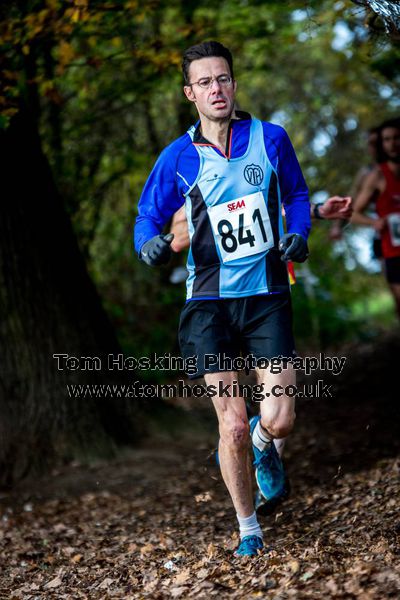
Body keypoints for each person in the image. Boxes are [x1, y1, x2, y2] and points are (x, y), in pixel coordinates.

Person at [134, 41, 311, 557]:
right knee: (230, 423)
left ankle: (264, 447)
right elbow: (148, 216)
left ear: (234, 84)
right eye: (206, 82)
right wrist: (150, 245)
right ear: (190, 93)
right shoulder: (179, 157)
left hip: (267, 294)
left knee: (278, 420)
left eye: (224, 79)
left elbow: (298, 195)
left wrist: (299, 232)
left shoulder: (270, 139)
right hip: (208, 304)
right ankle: (249, 529)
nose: (217, 89)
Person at [352, 119, 400, 319]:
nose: (392, 144)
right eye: (387, 140)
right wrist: (374, 223)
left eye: (397, 138)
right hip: (394, 252)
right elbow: (353, 212)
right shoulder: (377, 176)